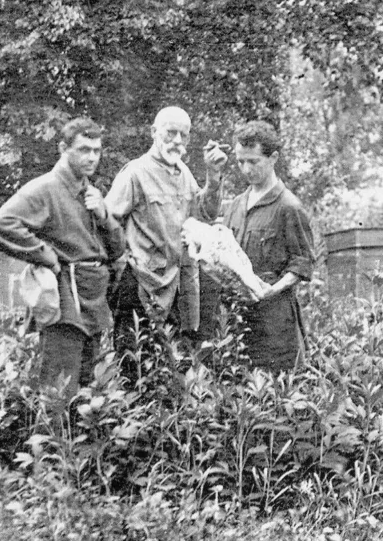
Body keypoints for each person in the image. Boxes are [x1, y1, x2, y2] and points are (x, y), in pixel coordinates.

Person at [0, 117, 125, 402]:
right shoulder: (45, 188)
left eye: (96, 151)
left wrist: (104, 215)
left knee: (87, 395)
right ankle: (51, 433)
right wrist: (47, 257)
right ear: (63, 149)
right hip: (64, 302)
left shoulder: (90, 192)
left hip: (92, 299)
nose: (92, 158)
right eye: (83, 150)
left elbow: (117, 249)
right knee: (58, 394)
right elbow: (1, 226)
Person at [105, 106, 227, 362]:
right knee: (134, 363)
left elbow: (205, 214)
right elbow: (107, 222)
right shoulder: (135, 173)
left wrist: (213, 177)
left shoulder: (184, 173)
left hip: (176, 289)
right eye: (171, 132)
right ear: (154, 132)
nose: (177, 141)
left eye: (184, 135)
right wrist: (121, 267)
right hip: (140, 286)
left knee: (172, 364)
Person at [221, 120, 314, 371]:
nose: (246, 169)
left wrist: (273, 290)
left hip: (274, 322)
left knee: (277, 386)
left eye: (253, 161)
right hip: (238, 317)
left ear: (273, 158)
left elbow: (302, 262)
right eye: (240, 162)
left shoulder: (288, 207)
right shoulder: (236, 206)